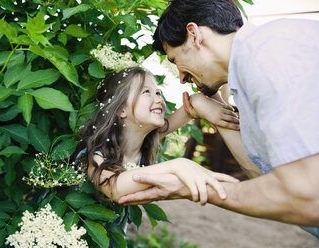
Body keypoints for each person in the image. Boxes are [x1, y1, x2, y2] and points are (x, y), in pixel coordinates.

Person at [118, 0, 319, 238]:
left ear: (194, 35)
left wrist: (194, 188)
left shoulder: (269, 54)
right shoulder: (248, 72)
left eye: (174, 60)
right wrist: (212, 109)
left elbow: (309, 197)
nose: (182, 78)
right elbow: (261, 172)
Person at [73, 67, 239, 233]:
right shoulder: (95, 155)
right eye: (146, 92)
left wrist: (199, 102)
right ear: (121, 109)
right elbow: (115, 188)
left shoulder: (145, 138)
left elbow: (189, 109)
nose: (158, 99)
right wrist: (178, 165)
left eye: (158, 93)